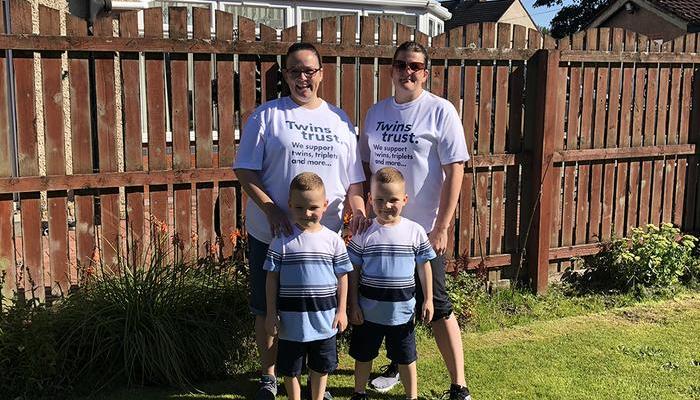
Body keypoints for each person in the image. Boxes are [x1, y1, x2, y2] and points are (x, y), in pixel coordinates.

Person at [233, 42, 368, 400]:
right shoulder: (267, 116)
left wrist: (358, 208)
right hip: (273, 233)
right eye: (294, 71)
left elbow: (354, 179)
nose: (302, 78)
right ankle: (269, 377)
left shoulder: (340, 120)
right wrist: (269, 208)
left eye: (309, 70)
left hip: (325, 239)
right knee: (268, 306)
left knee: (319, 306)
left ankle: (314, 379)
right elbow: (244, 169)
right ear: (285, 76)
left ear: (322, 73)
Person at [360, 41, 472, 400]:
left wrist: (442, 226)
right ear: (390, 70)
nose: (407, 72)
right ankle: (396, 365)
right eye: (400, 65)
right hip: (382, 230)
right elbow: (366, 165)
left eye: (415, 66)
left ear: (425, 72)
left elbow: (456, 170)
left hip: (422, 231)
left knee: (437, 305)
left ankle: (459, 386)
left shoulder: (440, 111)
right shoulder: (376, 113)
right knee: (390, 301)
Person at [347, 167, 435, 400]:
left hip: (402, 313)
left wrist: (428, 299)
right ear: (370, 199)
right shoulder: (363, 233)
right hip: (368, 313)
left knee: (406, 357)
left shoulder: (415, 232)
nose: (386, 206)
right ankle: (359, 392)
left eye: (393, 200)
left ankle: (411, 396)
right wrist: (353, 304)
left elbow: (424, 266)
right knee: (364, 355)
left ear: (404, 200)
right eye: (380, 200)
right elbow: (353, 269)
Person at [264, 172, 352, 400]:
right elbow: (271, 278)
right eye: (300, 207)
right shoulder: (281, 240)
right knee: (290, 369)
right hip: (291, 323)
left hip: (325, 321)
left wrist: (342, 311)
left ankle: (318, 397)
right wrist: (271, 313)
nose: (306, 213)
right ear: (290, 205)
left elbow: (343, 277)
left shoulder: (333, 241)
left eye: (313, 207)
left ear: (324, 206)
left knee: (321, 366)